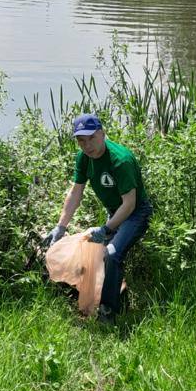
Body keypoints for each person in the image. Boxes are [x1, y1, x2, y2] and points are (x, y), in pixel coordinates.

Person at [43, 113, 152, 325]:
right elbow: (76, 193)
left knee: (111, 254)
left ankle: (107, 312)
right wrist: (60, 227)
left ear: (102, 134)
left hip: (136, 212)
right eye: (81, 141)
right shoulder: (83, 158)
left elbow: (129, 204)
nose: (87, 145)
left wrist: (108, 228)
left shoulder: (121, 160)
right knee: (97, 254)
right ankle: (104, 295)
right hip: (115, 210)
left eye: (92, 138)